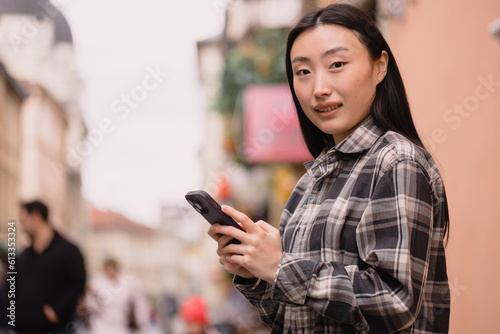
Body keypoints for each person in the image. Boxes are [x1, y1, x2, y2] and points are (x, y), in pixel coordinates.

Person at [208, 3, 450, 333]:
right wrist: (257, 273)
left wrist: (282, 266)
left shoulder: (395, 161)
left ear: (380, 66)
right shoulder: (309, 183)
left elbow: (394, 303)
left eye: (337, 64)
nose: (319, 88)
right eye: (303, 72)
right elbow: (294, 318)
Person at [17, 200, 86, 334]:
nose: (21, 225)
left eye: (23, 220)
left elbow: (78, 283)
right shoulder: (24, 256)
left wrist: (57, 311)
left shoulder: (68, 251)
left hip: (55, 329)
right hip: (24, 328)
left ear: (36, 217)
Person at [86, 258, 150, 334]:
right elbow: (90, 306)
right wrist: (96, 299)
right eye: (108, 269)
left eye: (112, 268)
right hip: (100, 327)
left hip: (120, 325)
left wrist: (140, 321)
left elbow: (140, 303)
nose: (110, 272)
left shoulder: (128, 285)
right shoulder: (97, 283)